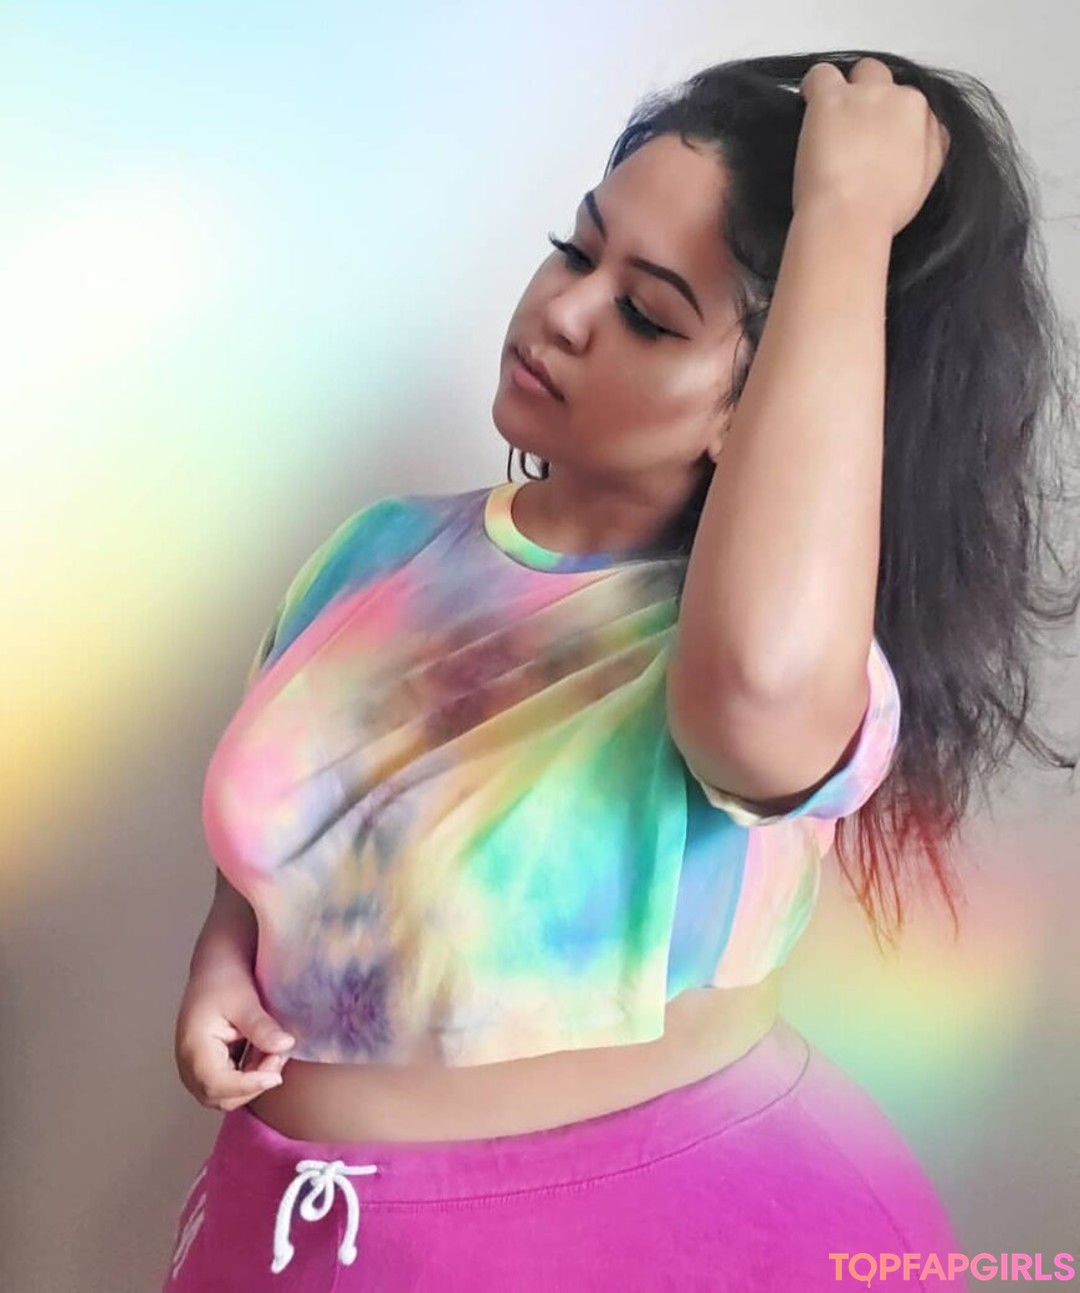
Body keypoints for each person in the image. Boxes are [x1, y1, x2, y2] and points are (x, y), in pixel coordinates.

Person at [163, 49, 1078, 1292]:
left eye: (649, 315)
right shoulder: (372, 553)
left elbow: (756, 689)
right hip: (290, 1229)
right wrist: (229, 952)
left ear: (763, 400)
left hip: (643, 1243)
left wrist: (848, 219)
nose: (563, 313)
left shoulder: (767, 669)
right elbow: (292, 833)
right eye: (574, 250)